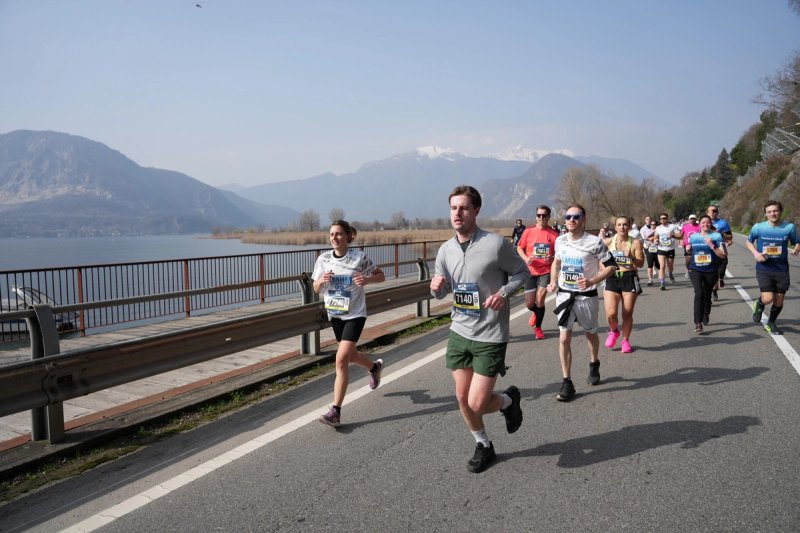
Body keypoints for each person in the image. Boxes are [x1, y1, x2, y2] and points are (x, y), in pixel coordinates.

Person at [430, 185, 529, 473]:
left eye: (463, 208)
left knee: (476, 401)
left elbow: (523, 273)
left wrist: (504, 293)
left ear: (476, 211)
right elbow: (443, 289)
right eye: (453, 208)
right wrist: (436, 288)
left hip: (490, 334)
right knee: (462, 398)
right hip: (460, 330)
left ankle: (509, 401)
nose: (457, 213)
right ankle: (483, 444)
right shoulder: (445, 250)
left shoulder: (496, 244)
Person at [313, 220, 386, 427]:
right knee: (351, 354)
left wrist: (367, 280)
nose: (334, 238)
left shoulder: (359, 257)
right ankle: (374, 368)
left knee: (341, 359)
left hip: (355, 314)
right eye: (331, 235)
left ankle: (335, 411)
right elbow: (316, 288)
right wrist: (321, 282)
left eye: (338, 234)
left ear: (347, 236)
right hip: (335, 314)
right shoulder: (323, 259)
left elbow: (381, 276)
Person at [546, 203, 617, 402]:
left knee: (590, 334)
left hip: (587, 296)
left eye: (576, 217)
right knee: (563, 338)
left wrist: (592, 280)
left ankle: (594, 363)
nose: (571, 220)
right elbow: (556, 262)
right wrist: (553, 281)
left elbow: (611, 267)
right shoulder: (560, 241)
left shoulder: (595, 242)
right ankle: (566, 382)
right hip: (565, 295)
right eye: (568, 216)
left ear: (584, 219)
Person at [745, 200, 800, 335]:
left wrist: (796, 249)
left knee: (779, 300)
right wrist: (756, 253)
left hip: (781, 269)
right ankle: (759, 304)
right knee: (768, 298)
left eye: (775, 211)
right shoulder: (759, 227)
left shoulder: (789, 228)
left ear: (780, 211)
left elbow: (797, 242)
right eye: (769, 212)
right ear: (765, 214)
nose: (773, 214)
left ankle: (771, 323)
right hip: (764, 268)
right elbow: (748, 241)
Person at [602, 215, 644, 353]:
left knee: (627, 313)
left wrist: (631, 257)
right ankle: (614, 331)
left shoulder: (636, 243)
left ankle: (625, 340)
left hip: (629, 277)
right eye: (619, 225)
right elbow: (599, 259)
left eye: (625, 224)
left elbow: (641, 263)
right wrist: (604, 270)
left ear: (630, 226)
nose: (622, 227)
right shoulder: (608, 242)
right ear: (615, 227)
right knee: (611, 313)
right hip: (613, 277)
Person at [517, 205, 559, 340]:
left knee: (540, 300)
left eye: (544, 215)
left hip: (545, 271)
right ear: (536, 216)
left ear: (548, 217)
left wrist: (551, 257)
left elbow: (559, 254)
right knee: (530, 304)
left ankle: (538, 329)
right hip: (530, 271)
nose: (541, 217)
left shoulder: (554, 234)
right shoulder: (528, 231)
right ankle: (535, 312)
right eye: (539, 215)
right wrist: (525, 258)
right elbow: (519, 247)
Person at [686, 215, 727, 334]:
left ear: (711, 224)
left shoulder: (716, 236)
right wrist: (688, 250)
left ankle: (706, 313)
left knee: (707, 294)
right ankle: (698, 323)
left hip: (711, 270)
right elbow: (690, 252)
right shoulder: (693, 237)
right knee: (699, 293)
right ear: (699, 224)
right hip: (695, 269)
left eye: (707, 222)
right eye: (703, 222)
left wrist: (712, 245)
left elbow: (723, 255)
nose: (705, 224)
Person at [707, 204, 733, 300]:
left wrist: (722, 235)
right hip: (708, 249)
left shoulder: (723, 223)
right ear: (707, 212)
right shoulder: (704, 222)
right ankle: (713, 291)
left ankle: (721, 278)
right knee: (712, 273)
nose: (713, 212)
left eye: (715, 211)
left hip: (721, 249)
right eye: (711, 211)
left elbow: (730, 236)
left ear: (717, 212)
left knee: (721, 271)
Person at [654, 213, 680, 290]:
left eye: (664, 218)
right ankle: (662, 283)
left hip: (670, 249)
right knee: (662, 266)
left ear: (667, 219)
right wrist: (656, 240)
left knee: (670, 266)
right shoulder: (658, 228)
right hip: (661, 248)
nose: (663, 220)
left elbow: (679, 235)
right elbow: (656, 236)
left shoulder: (672, 226)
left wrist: (673, 236)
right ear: (660, 220)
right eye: (661, 218)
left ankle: (670, 273)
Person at [639, 215, 659, 286]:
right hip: (648, 247)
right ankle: (650, 279)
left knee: (658, 264)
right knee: (650, 264)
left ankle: (661, 277)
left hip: (657, 248)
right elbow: (644, 238)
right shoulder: (643, 229)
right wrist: (651, 238)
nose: (649, 221)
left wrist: (654, 237)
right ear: (645, 220)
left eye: (650, 219)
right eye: (647, 219)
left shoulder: (658, 229)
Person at [680, 214, 701, 278]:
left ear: (695, 219)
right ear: (689, 220)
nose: (692, 220)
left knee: (697, 258)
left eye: (693, 219)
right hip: (687, 244)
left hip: (697, 244)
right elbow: (681, 235)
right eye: (691, 219)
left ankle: (697, 271)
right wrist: (681, 241)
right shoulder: (685, 226)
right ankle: (687, 269)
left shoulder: (699, 226)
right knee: (688, 259)